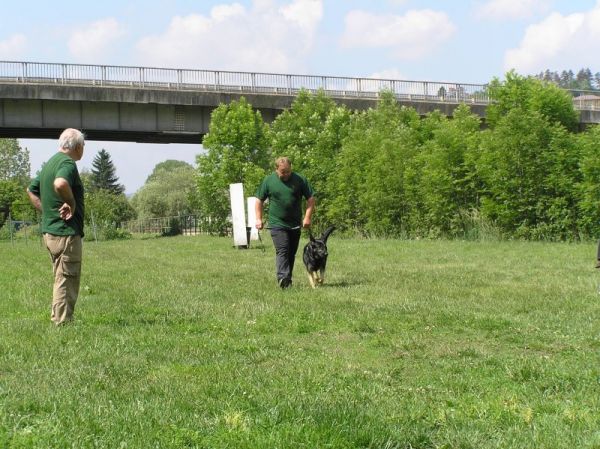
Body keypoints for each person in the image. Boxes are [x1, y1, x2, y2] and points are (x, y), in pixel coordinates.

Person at [27, 128, 85, 325]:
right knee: (66, 278)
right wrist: (72, 203)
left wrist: (47, 211)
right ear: (77, 146)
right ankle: (62, 323)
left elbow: (31, 190)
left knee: (60, 276)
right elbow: (60, 184)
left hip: (51, 232)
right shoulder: (67, 163)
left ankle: (59, 319)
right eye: (83, 146)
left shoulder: (50, 162)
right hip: (65, 233)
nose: (83, 149)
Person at [255, 157, 315, 289]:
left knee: (291, 253)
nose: (286, 174)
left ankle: (288, 278)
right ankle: (283, 279)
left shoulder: (300, 179)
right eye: (283, 172)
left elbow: (310, 198)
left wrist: (307, 217)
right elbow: (259, 200)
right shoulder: (269, 181)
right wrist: (258, 218)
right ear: (276, 169)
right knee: (283, 250)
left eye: (288, 171)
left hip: (295, 223)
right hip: (277, 223)